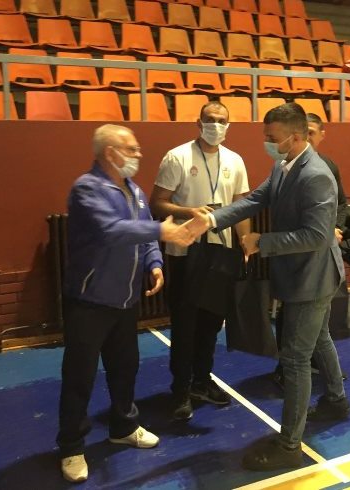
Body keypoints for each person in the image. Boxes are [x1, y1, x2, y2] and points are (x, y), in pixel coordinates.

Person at [190, 103, 350, 471]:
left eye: (271, 137)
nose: (266, 142)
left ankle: (289, 445)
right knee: (319, 338)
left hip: (313, 278)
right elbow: (255, 199)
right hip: (301, 274)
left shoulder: (317, 175)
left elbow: (317, 236)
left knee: (294, 358)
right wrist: (211, 220)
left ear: (295, 137)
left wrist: (262, 242)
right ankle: (336, 401)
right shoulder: (284, 165)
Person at [57, 124, 195, 483]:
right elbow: (111, 231)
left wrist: (154, 262)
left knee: (125, 368)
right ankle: (71, 446)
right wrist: (162, 232)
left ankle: (124, 426)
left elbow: (144, 231)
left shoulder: (134, 190)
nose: (138, 154)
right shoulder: (87, 188)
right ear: (110, 152)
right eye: (131, 149)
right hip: (89, 301)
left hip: (125, 301)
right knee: (79, 377)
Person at [150, 102, 250, 421]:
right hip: (186, 253)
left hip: (221, 252)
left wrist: (245, 242)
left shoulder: (235, 160)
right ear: (199, 122)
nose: (216, 125)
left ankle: (202, 381)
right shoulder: (177, 156)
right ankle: (180, 390)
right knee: (185, 327)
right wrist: (189, 212)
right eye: (210, 119)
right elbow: (157, 203)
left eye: (222, 120)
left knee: (211, 324)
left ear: (228, 125)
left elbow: (241, 206)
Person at [272, 112, 347, 388]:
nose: (309, 137)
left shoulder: (323, 169)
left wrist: (335, 228)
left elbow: (341, 205)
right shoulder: (283, 166)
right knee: (300, 328)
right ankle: (333, 393)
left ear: (319, 135)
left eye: (313, 133)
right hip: (294, 262)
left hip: (317, 266)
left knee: (310, 342)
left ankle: (331, 393)